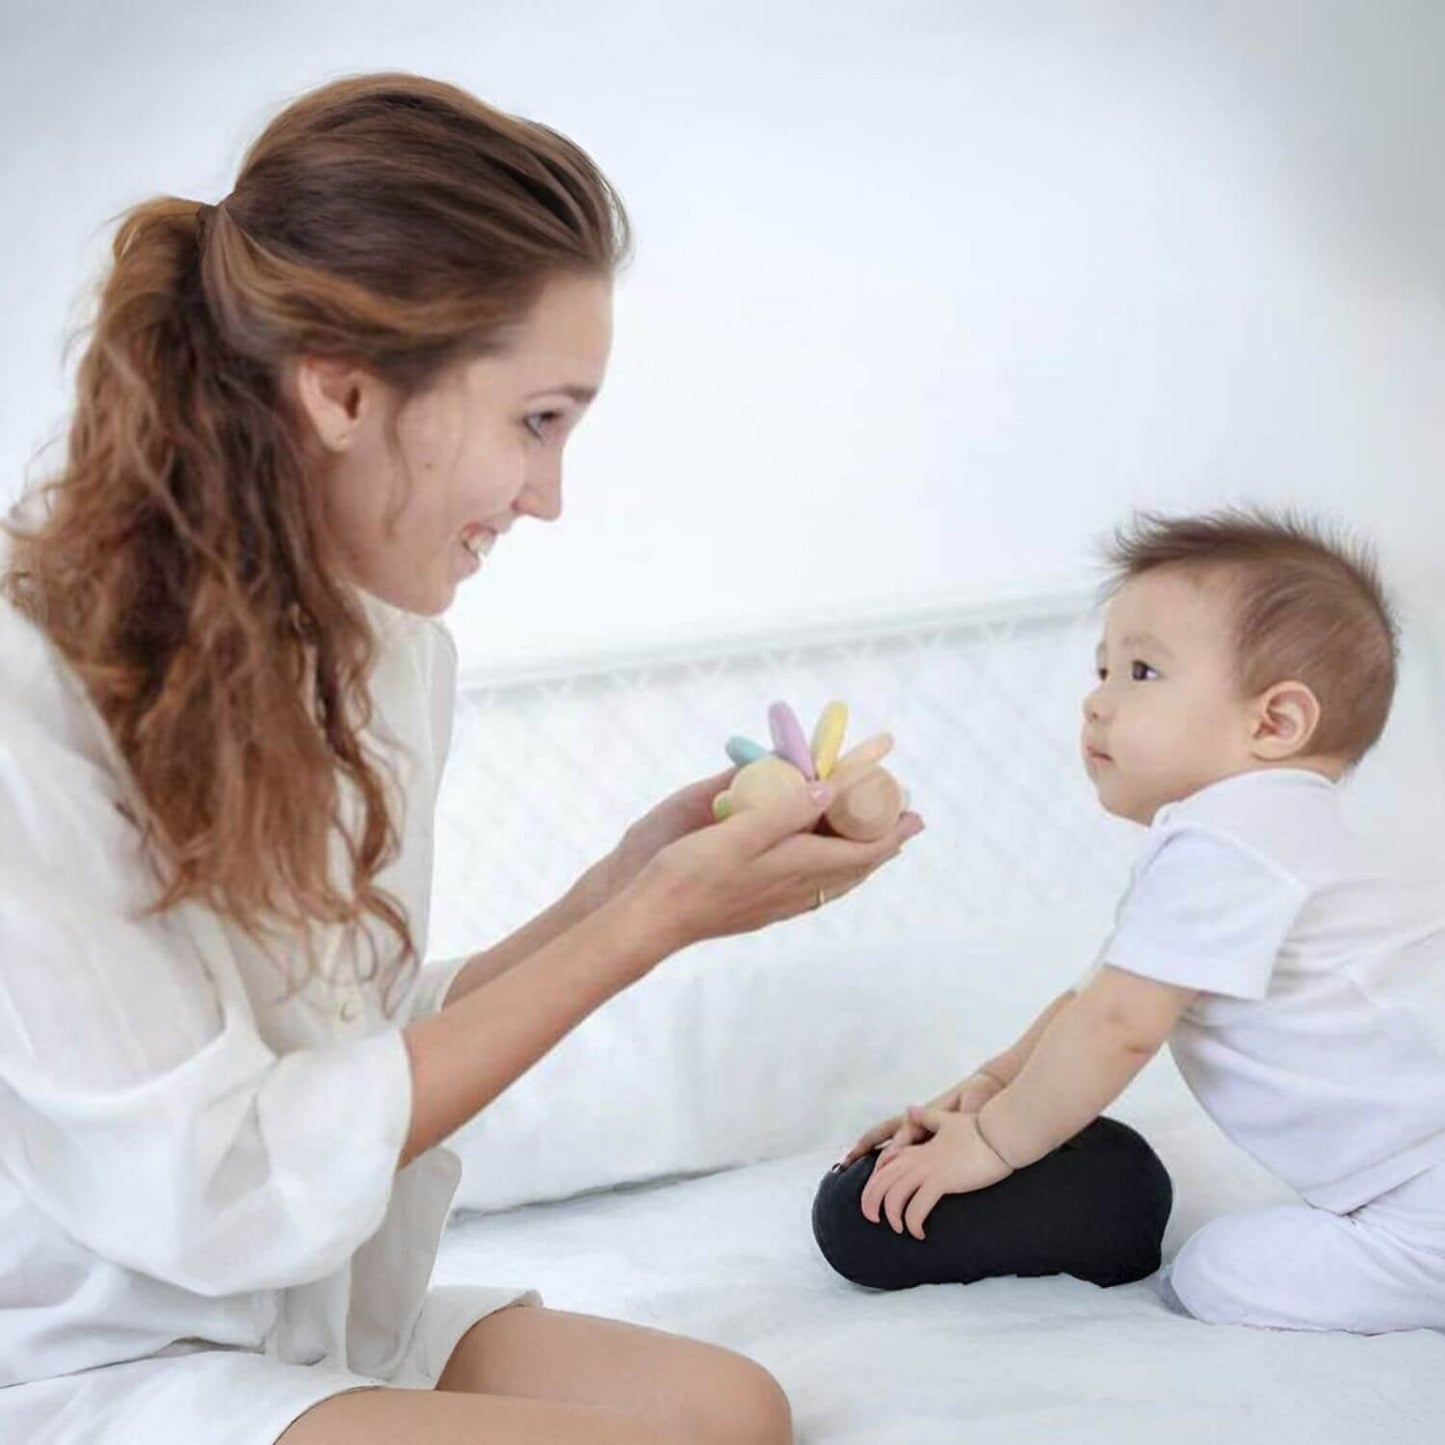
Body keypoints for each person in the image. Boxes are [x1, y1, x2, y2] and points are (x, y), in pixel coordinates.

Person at [0, 73, 923, 1445]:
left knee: (735, 1414)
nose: (548, 499)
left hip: (308, 1304)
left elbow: (345, 1048)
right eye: (537, 422)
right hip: (97, 1341)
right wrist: (647, 927)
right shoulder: (33, 696)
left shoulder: (386, 654)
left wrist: (625, 891)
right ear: (343, 390)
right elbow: (216, 1179)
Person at [814, 509, 1445, 1334]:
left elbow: (1117, 1026)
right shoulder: (1269, 833)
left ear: (1274, 723)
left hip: (1426, 1192)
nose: (1095, 703)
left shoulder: (1226, 838)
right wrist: (995, 1082)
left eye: (1141, 672)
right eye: (1101, 668)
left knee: (1213, 1272)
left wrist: (994, 1143)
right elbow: (1098, 996)